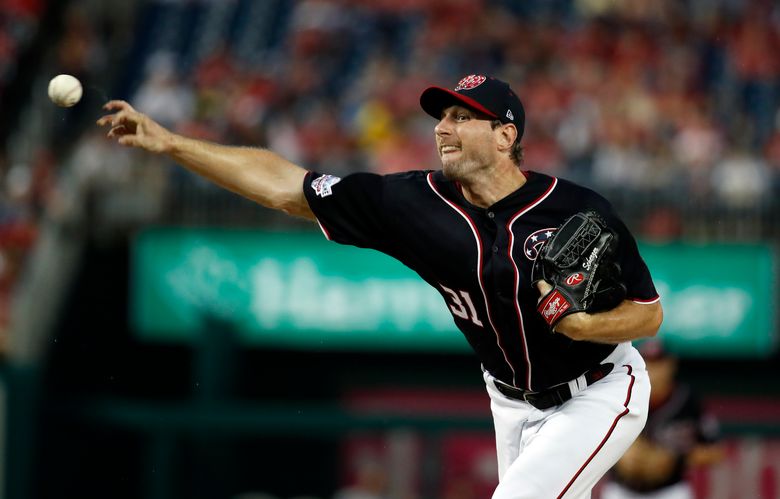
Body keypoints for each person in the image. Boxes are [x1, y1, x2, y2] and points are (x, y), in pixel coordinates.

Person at [98, 74, 663, 498]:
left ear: (505, 134)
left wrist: (588, 325)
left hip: (601, 389)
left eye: (462, 117)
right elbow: (284, 186)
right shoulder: (409, 203)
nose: (443, 128)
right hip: (508, 400)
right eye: (441, 117)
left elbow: (648, 314)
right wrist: (173, 144)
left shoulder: (577, 208)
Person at [601, 339, 724, 499]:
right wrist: (617, 455)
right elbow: (587, 441)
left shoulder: (687, 400)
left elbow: (715, 451)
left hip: (670, 491)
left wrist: (677, 458)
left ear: (671, 364)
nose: (654, 370)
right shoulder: (618, 396)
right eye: (648, 362)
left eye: (659, 363)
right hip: (621, 490)